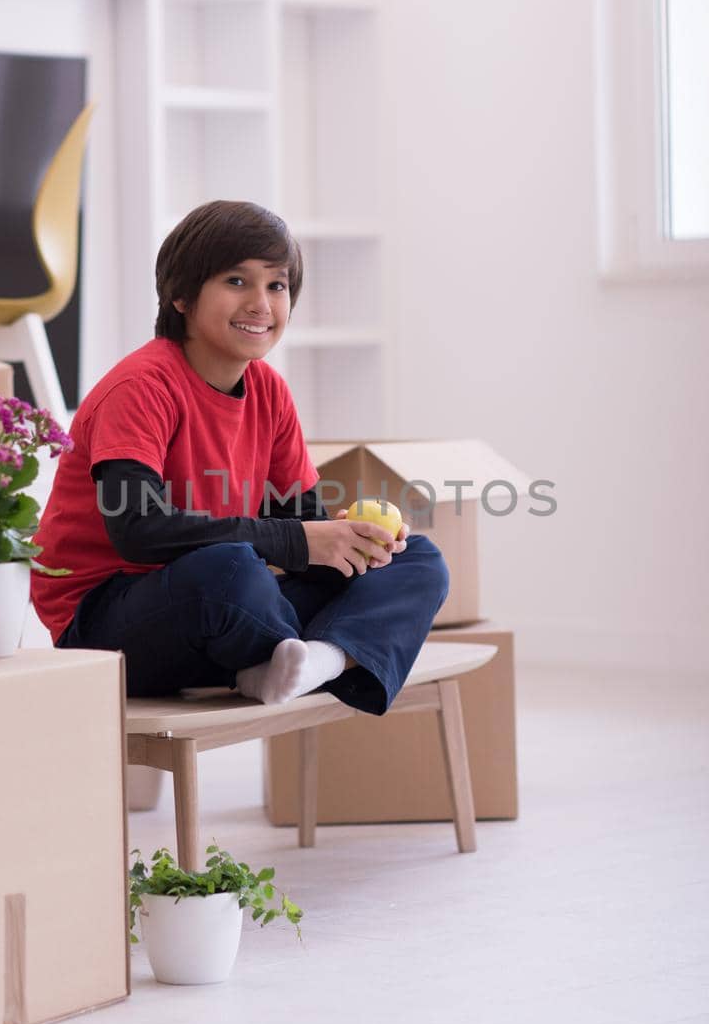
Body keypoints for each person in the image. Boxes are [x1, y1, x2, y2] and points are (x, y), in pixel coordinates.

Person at [31, 200, 449, 714]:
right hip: (106, 626)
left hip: (223, 614)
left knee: (418, 560)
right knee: (228, 570)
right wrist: (299, 540)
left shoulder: (268, 391)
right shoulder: (141, 387)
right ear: (181, 295)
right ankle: (314, 654)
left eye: (276, 285)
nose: (261, 304)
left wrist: (350, 543)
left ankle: (312, 660)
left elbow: (300, 526)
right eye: (236, 282)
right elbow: (138, 530)